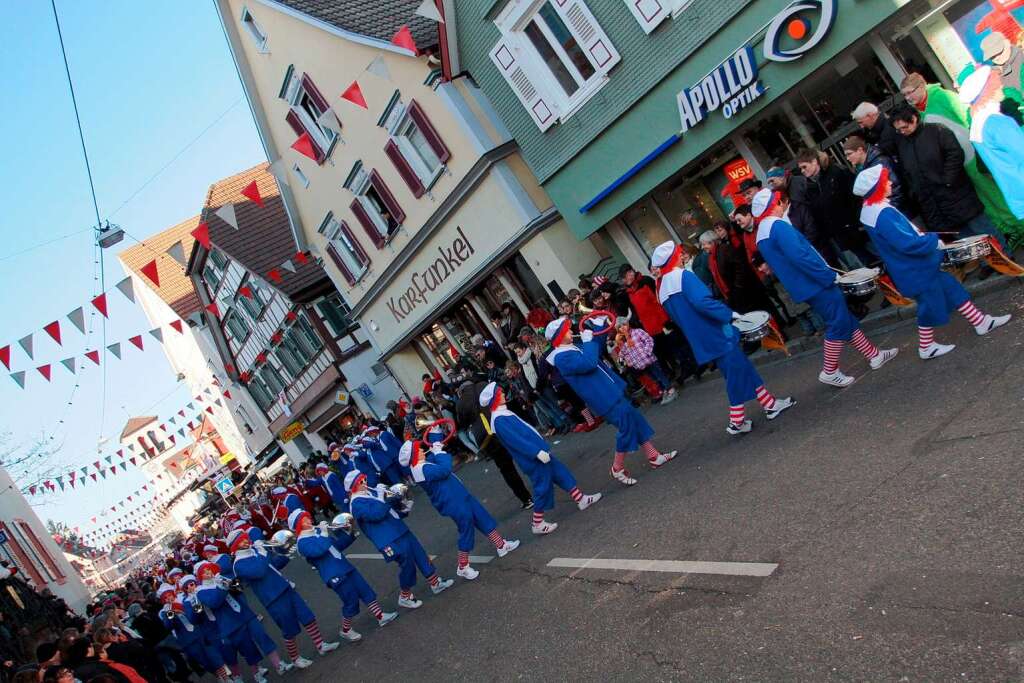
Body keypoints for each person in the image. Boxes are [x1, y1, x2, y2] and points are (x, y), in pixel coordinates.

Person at [853, 165, 1011, 357]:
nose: (890, 182)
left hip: (911, 268)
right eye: (885, 181)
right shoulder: (882, 213)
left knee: (952, 288)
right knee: (929, 308)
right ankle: (926, 347)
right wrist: (932, 241)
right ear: (876, 188)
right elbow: (907, 243)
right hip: (915, 268)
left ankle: (981, 322)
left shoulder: (872, 210)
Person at [751, 188, 898, 387]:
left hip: (804, 285)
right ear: (772, 205)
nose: (781, 206)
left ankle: (873, 354)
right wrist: (828, 275)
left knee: (843, 317)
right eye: (777, 203)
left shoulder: (762, 233)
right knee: (838, 322)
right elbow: (801, 257)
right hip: (815, 282)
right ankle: (829, 370)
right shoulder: (777, 226)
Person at [651, 242, 795, 434]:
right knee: (735, 374)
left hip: (701, 338)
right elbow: (703, 303)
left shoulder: (662, 288)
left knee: (741, 367)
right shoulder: (682, 276)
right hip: (716, 331)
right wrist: (729, 314)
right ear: (673, 257)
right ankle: (737, 420)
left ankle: (769, 404)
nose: (682, 255)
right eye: (679, 253)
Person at [544, 316, 677, 485]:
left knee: (634, 420)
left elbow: (596, 350)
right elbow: (589, 363)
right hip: (602, 396)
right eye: (566, 330)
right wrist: (588, 341)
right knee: (626, 427)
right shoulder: (562, 358)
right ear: (559, 336)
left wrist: (599, 329)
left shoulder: (571, 347)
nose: (571, 331)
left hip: (609, 390)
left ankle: (653, 456)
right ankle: (617, 467)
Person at [899, 72, 1023, 239]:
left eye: (909, 92)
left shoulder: (943, 97)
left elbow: (966, 116)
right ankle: (1009, 229)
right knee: (983, 199)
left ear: (922, 86)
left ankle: (1018, 226)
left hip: (973, 155)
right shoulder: (918, 114)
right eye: (904, 95)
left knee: (995, 191)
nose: (907, 97)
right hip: (959, 165)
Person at [481, 382, 601, 534]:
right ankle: (537, 523)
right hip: (533, 458)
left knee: (560, 472)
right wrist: (536, 452)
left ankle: (581, 499)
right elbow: (517, 441)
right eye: (500, 393)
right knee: (542, 488)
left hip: (538, 454)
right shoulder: (499, 420)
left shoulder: (501, 415)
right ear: (494, 399)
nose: (503, 394)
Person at [397, 439, 520, 580]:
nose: (421, 450)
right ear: (413, 456)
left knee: (481, 517)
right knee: (466, 529)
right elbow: (444, 470)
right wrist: (439, 452)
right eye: (418, 450)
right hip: (452, 502)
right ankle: (463, 566)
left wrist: (436, 440)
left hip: (458, 495)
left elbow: (435, 454)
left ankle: (501, 544)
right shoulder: (421, 469)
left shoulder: (421, 464)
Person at [890, 105, 1007, 248]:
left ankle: (1005, 257)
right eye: (898, 130)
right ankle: (987, 263)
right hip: (936, 201)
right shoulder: (904, 144)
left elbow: (955, 154)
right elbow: (908, 172)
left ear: (914, 119)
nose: (902, 132)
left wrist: (948, 180)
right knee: (966, 239)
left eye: (904, 127)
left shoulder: (937, 131)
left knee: (982, 229)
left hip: (955, 193)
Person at [229, 529, 339, 669]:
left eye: (246, 538)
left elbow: (272, 566)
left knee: (307, 616)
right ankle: (295, 658)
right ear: (235, 546)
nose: (247, 541)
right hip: (273, 598)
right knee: (289, 629)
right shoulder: (238, 564)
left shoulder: (255, 552)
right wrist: (262, 551)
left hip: (285, 587)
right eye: (242, 541)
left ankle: (320, 645)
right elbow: (260, 571)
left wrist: (285, 553)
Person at [345, 470, 453, 609]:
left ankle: (435, 582)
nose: (365, 482)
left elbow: (388, 511)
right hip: (387, 539)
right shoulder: (356, 503)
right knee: (407, 564)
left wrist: (401, 505)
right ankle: (405, 595)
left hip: (399, 529)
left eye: (364, 479)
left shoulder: (369, 493)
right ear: (353, 487)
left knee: (420, 554)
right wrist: (385, 498)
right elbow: (376, 515)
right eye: (360, 482)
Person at [291, 510, 397, 642]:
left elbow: (336, 546)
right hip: (333, 573)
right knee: (350, 600)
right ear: (298, 525)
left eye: (308, 518)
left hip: (344, 566)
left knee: (364, 590)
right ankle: (346, 630)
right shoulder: (302, 543)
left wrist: (349, 533)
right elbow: (319, 551)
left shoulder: (317, 533)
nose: (309, 521)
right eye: (304, 520)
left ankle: (380, 616)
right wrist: (324, 533)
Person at [194, 559, 283, 683]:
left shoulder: (220, 579)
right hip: (229, 623)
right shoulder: (200, 591)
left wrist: (229, 582)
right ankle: (247, 675)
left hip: (244, 613)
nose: (208, 572)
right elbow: (214, 603)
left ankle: (278, 664)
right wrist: (221, 587)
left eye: (209, 569)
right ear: (200, 576)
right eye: (204, 571)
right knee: (244, 650)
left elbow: (238, 590)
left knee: (262, 636)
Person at [960, 66, 1024, 222]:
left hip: (1016, 195)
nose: (1001, 85)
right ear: (987, 92)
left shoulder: (977, 124)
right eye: (996, 84)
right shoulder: (997, 123)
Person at [794, 148, 871, 268]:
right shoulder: (812, 186)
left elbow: (856, 198)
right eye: (801, 169)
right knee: (869, 265)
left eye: (804, 166)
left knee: (879, 258)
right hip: (844, 235)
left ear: (814, 161)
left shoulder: (837, 172)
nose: (802, 171)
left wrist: (859, 224)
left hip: (859, 229)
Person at [610, 319, 677, 405]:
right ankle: (664, 391)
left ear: (628, 324)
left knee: (659, 375)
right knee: (654, 378)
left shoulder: (637, 332)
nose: (622, 328)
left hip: (649, 359)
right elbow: (623, 354)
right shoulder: (622, 341)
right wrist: (628, 363)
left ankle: (671, 390)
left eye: (624, 325)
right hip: (640, 364)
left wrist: (647, 352)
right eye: (619, 327)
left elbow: (649, 340)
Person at [842, 135, 904, 211]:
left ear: (860, 150)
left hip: (899, 211)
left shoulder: (880, 162)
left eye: (849, 154)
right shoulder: (862, 167)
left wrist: (889, 210)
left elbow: (896, 187)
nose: (847, 158)